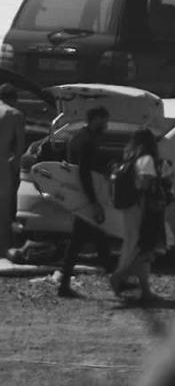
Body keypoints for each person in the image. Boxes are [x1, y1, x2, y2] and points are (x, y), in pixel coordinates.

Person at [56, 104, 116, 296]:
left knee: (98, 239)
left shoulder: (76, 138)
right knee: (80, 241)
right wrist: (93, 201)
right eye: (104, 121)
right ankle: (64, 285)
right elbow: (84, 173)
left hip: (78, 195)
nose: (106, 125)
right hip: (85, 197)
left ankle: (116, 280)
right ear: (95, 119)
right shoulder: (87, 142)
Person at [111, 127, 170, 304]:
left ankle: (144, 290)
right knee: (141, 246)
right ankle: (120, 277)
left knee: (138, 245)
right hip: (141, 207)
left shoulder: (131, 158)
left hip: (132, 207)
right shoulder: (146, 159)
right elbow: (145, 183)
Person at [0, 83, 25, 254]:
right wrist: (15, 165)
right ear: (13, 99)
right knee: (4, 206)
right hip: (2, 163)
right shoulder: (15, 114)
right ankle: (3, 246)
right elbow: (20, 147)